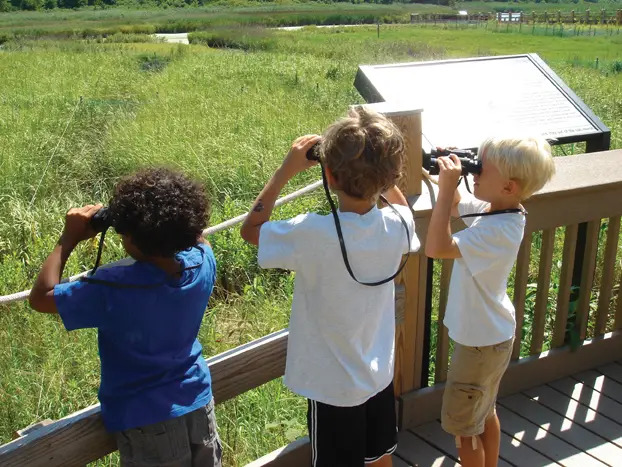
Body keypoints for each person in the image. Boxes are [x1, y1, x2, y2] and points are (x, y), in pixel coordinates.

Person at [240, 106, 419, 467]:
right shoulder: (398, 224)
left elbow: (251, 231)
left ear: (330, 177)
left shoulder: (312, 233)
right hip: (379, 373)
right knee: (380, 455)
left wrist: (285, 171)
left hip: (333, 386)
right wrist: (376, 158)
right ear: (390, 175)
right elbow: (397, 200)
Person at [29, 167, 222, 467]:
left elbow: (41, 298)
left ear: (130, 237)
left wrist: (68, 238)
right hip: (198, 403)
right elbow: (198, 239)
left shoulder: (113, 288)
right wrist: (175, 221)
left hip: (146, 420)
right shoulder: (202, 264)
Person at [425, 136, 555, 467]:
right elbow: (456, 205)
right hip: (491, 337)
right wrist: (447, 174)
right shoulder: (501, 212)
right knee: (485, 411)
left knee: (464, 429)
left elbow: (437, 247)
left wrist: (443, 192)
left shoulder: (495, 231)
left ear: (509, 187)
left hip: (480, 345)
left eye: (481, 170)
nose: (475, 174)